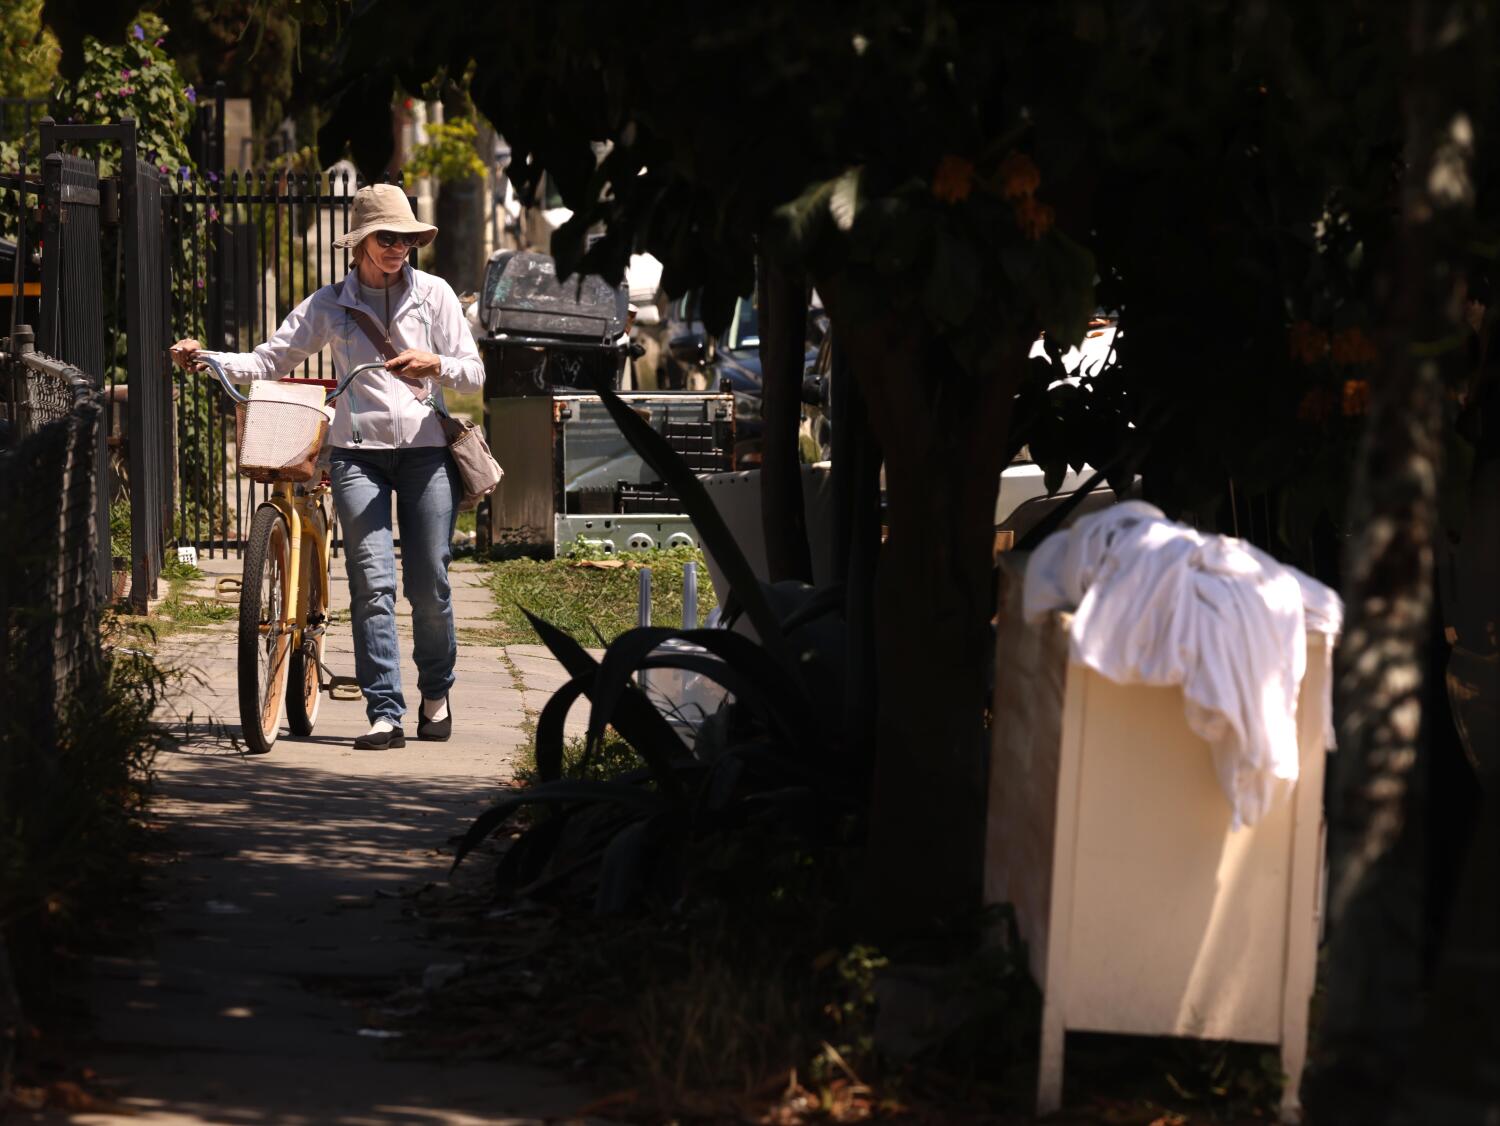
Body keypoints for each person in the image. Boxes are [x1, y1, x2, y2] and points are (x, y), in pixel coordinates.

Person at [170, 184, 484, 751]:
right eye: (386, 238)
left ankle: (436, 692)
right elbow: (270, 359)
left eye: (406, 239)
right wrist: (208, 358)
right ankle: (384, 711)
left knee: (430, 585)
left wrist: (435, 363)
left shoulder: (434, 295)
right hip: (357, 456)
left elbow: (474, 372)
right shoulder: (329, 304)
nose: (398, 248)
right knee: (371, 581)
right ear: (361, 243)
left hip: (426, 452)